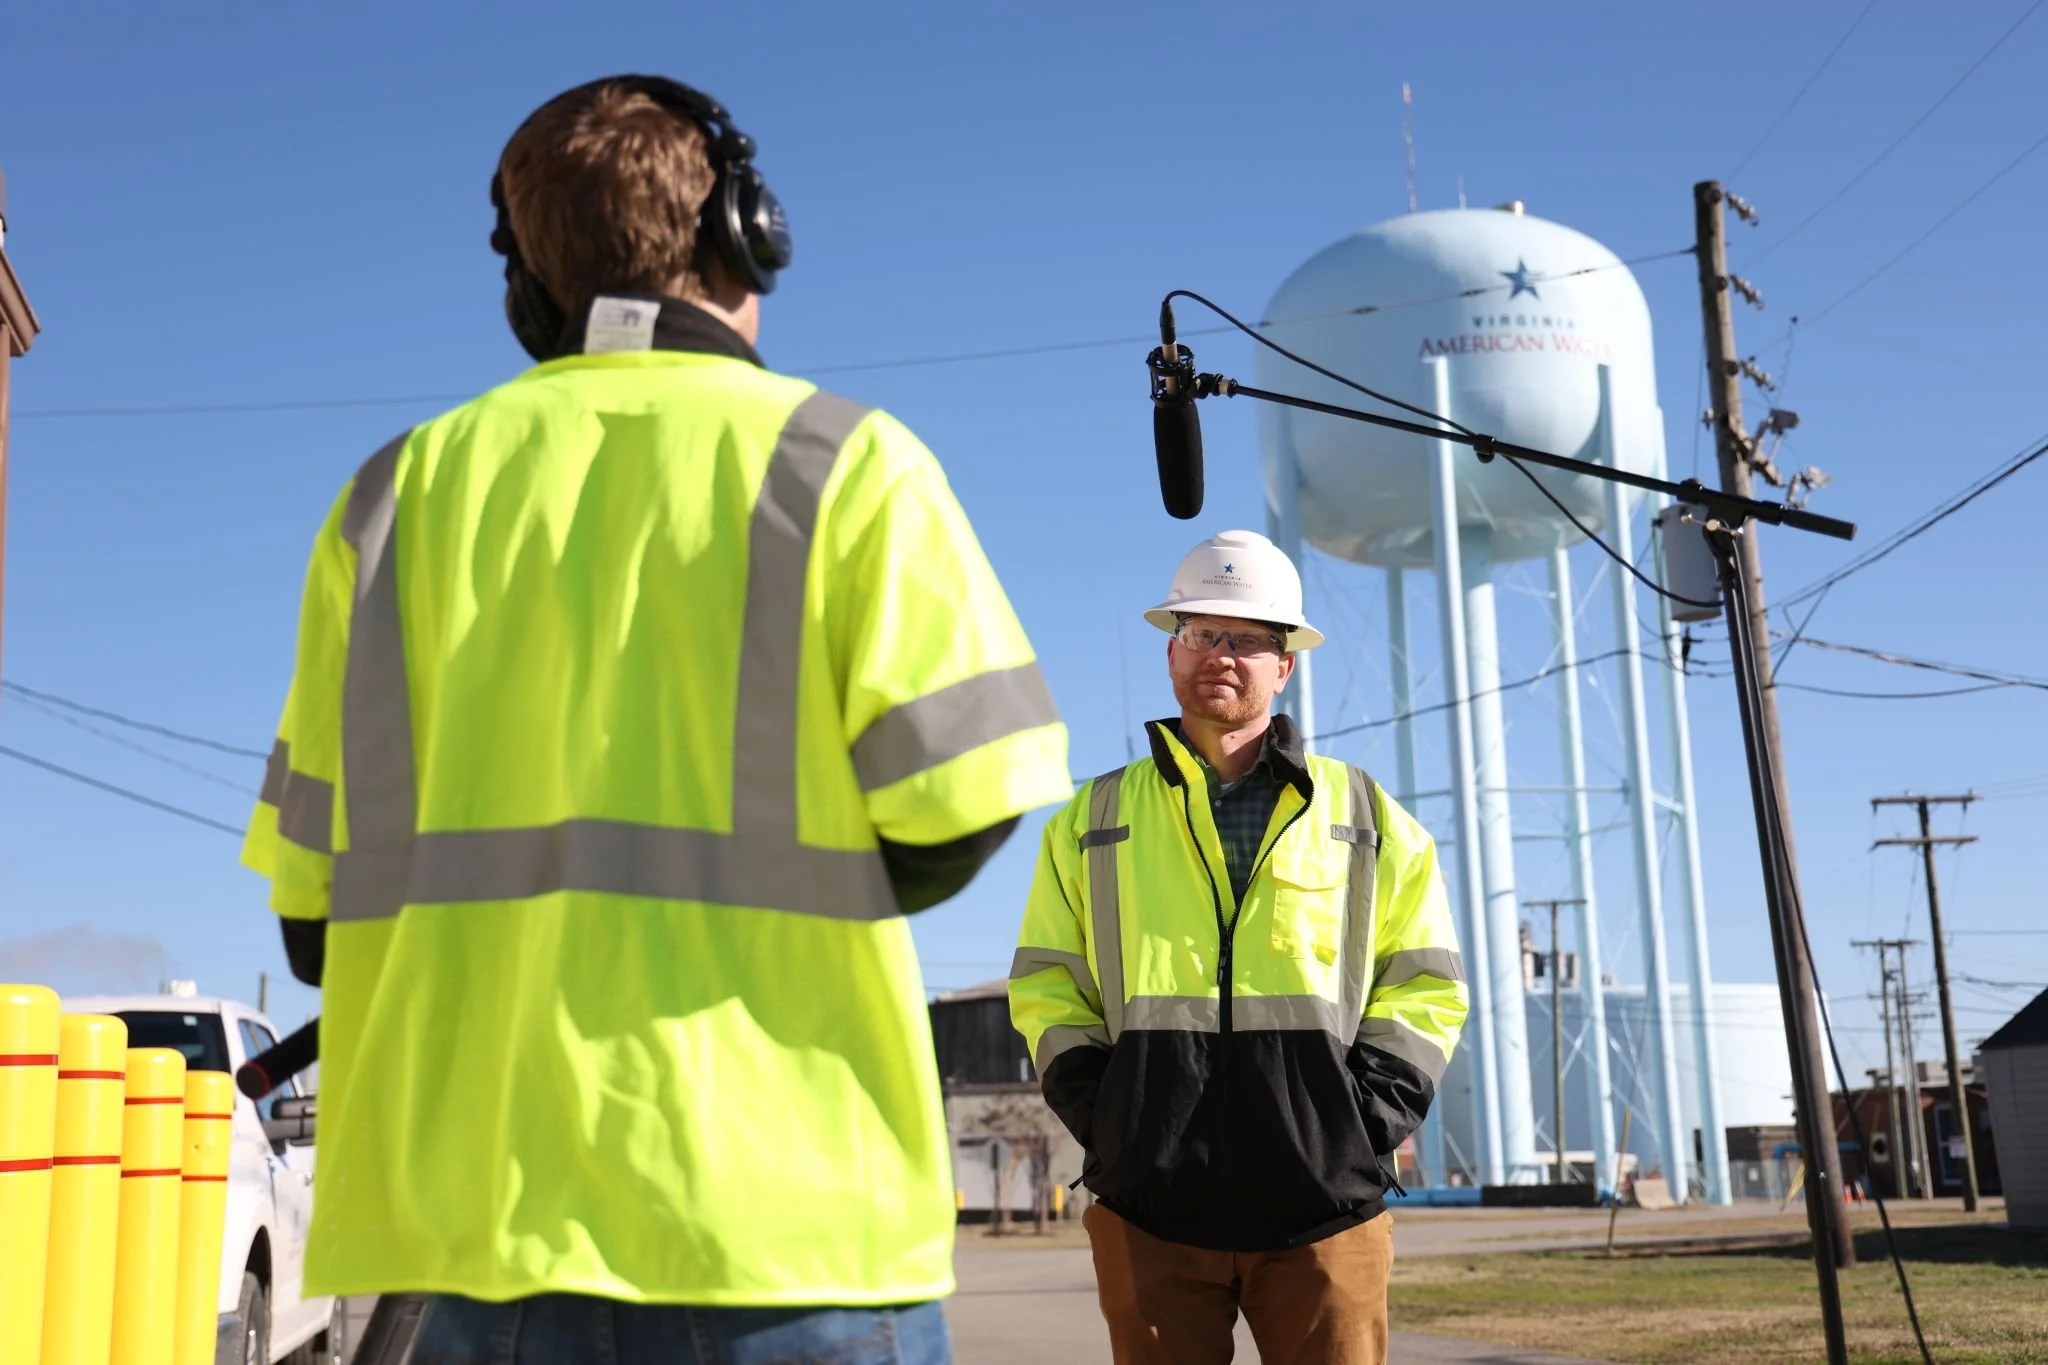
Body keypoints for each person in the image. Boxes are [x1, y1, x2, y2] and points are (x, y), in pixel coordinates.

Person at [242, 75, 1072, 1362]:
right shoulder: (842, 464)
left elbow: (310, 925)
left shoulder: (388, 503)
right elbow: (962, 805)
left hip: (480, 1250)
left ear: (525, 283)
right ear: (746, 230)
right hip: (787, 1243)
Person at [1008, 530, 1468, 1365]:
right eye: (1202, 633)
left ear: (1284, 663)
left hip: (1324, 1210)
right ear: (1173, 651)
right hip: (1150, 1207)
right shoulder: (1091, 820)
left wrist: (1360, 1122)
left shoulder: (1366, 818)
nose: (1222, 654)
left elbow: (1425, 983)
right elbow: (1048, 983)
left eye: (1248, 638)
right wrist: (1111, 1120)